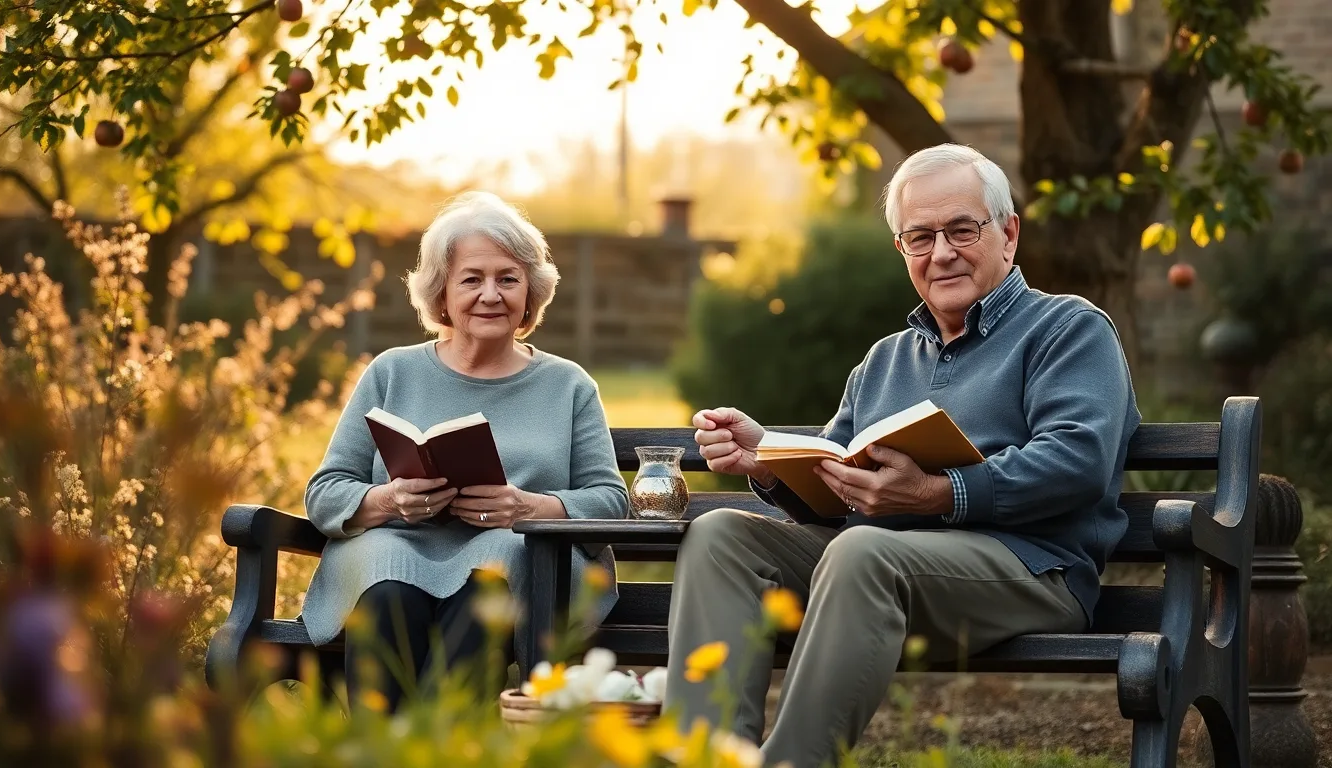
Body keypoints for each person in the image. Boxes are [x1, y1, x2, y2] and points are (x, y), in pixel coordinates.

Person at [663, 144, 1141, 767]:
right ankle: (701, 758)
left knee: (864, 552)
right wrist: (771, 460)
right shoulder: (886, 358)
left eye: (961, 230)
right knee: (720, 535)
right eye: (919, 238)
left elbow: (1077, 459)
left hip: (1030, 569)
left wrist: (939, 492)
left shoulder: (1068, 328)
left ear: (1008, 233)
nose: (940, 253)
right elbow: (836, 478)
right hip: (876, 564)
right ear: (902, 251)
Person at [299, 190, 629, 712]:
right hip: (392, 549)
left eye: (508, 279)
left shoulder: (569, 386)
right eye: (472, 279)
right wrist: (389, 500)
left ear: (531, 292)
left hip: (513, 557)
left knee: (487, 585)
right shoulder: (392, 371)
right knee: (389, 592)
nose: (491, 295)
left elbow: (610, 499)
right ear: (442, 293)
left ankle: (445, 747)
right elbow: (325, 494)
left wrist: (529, 508)